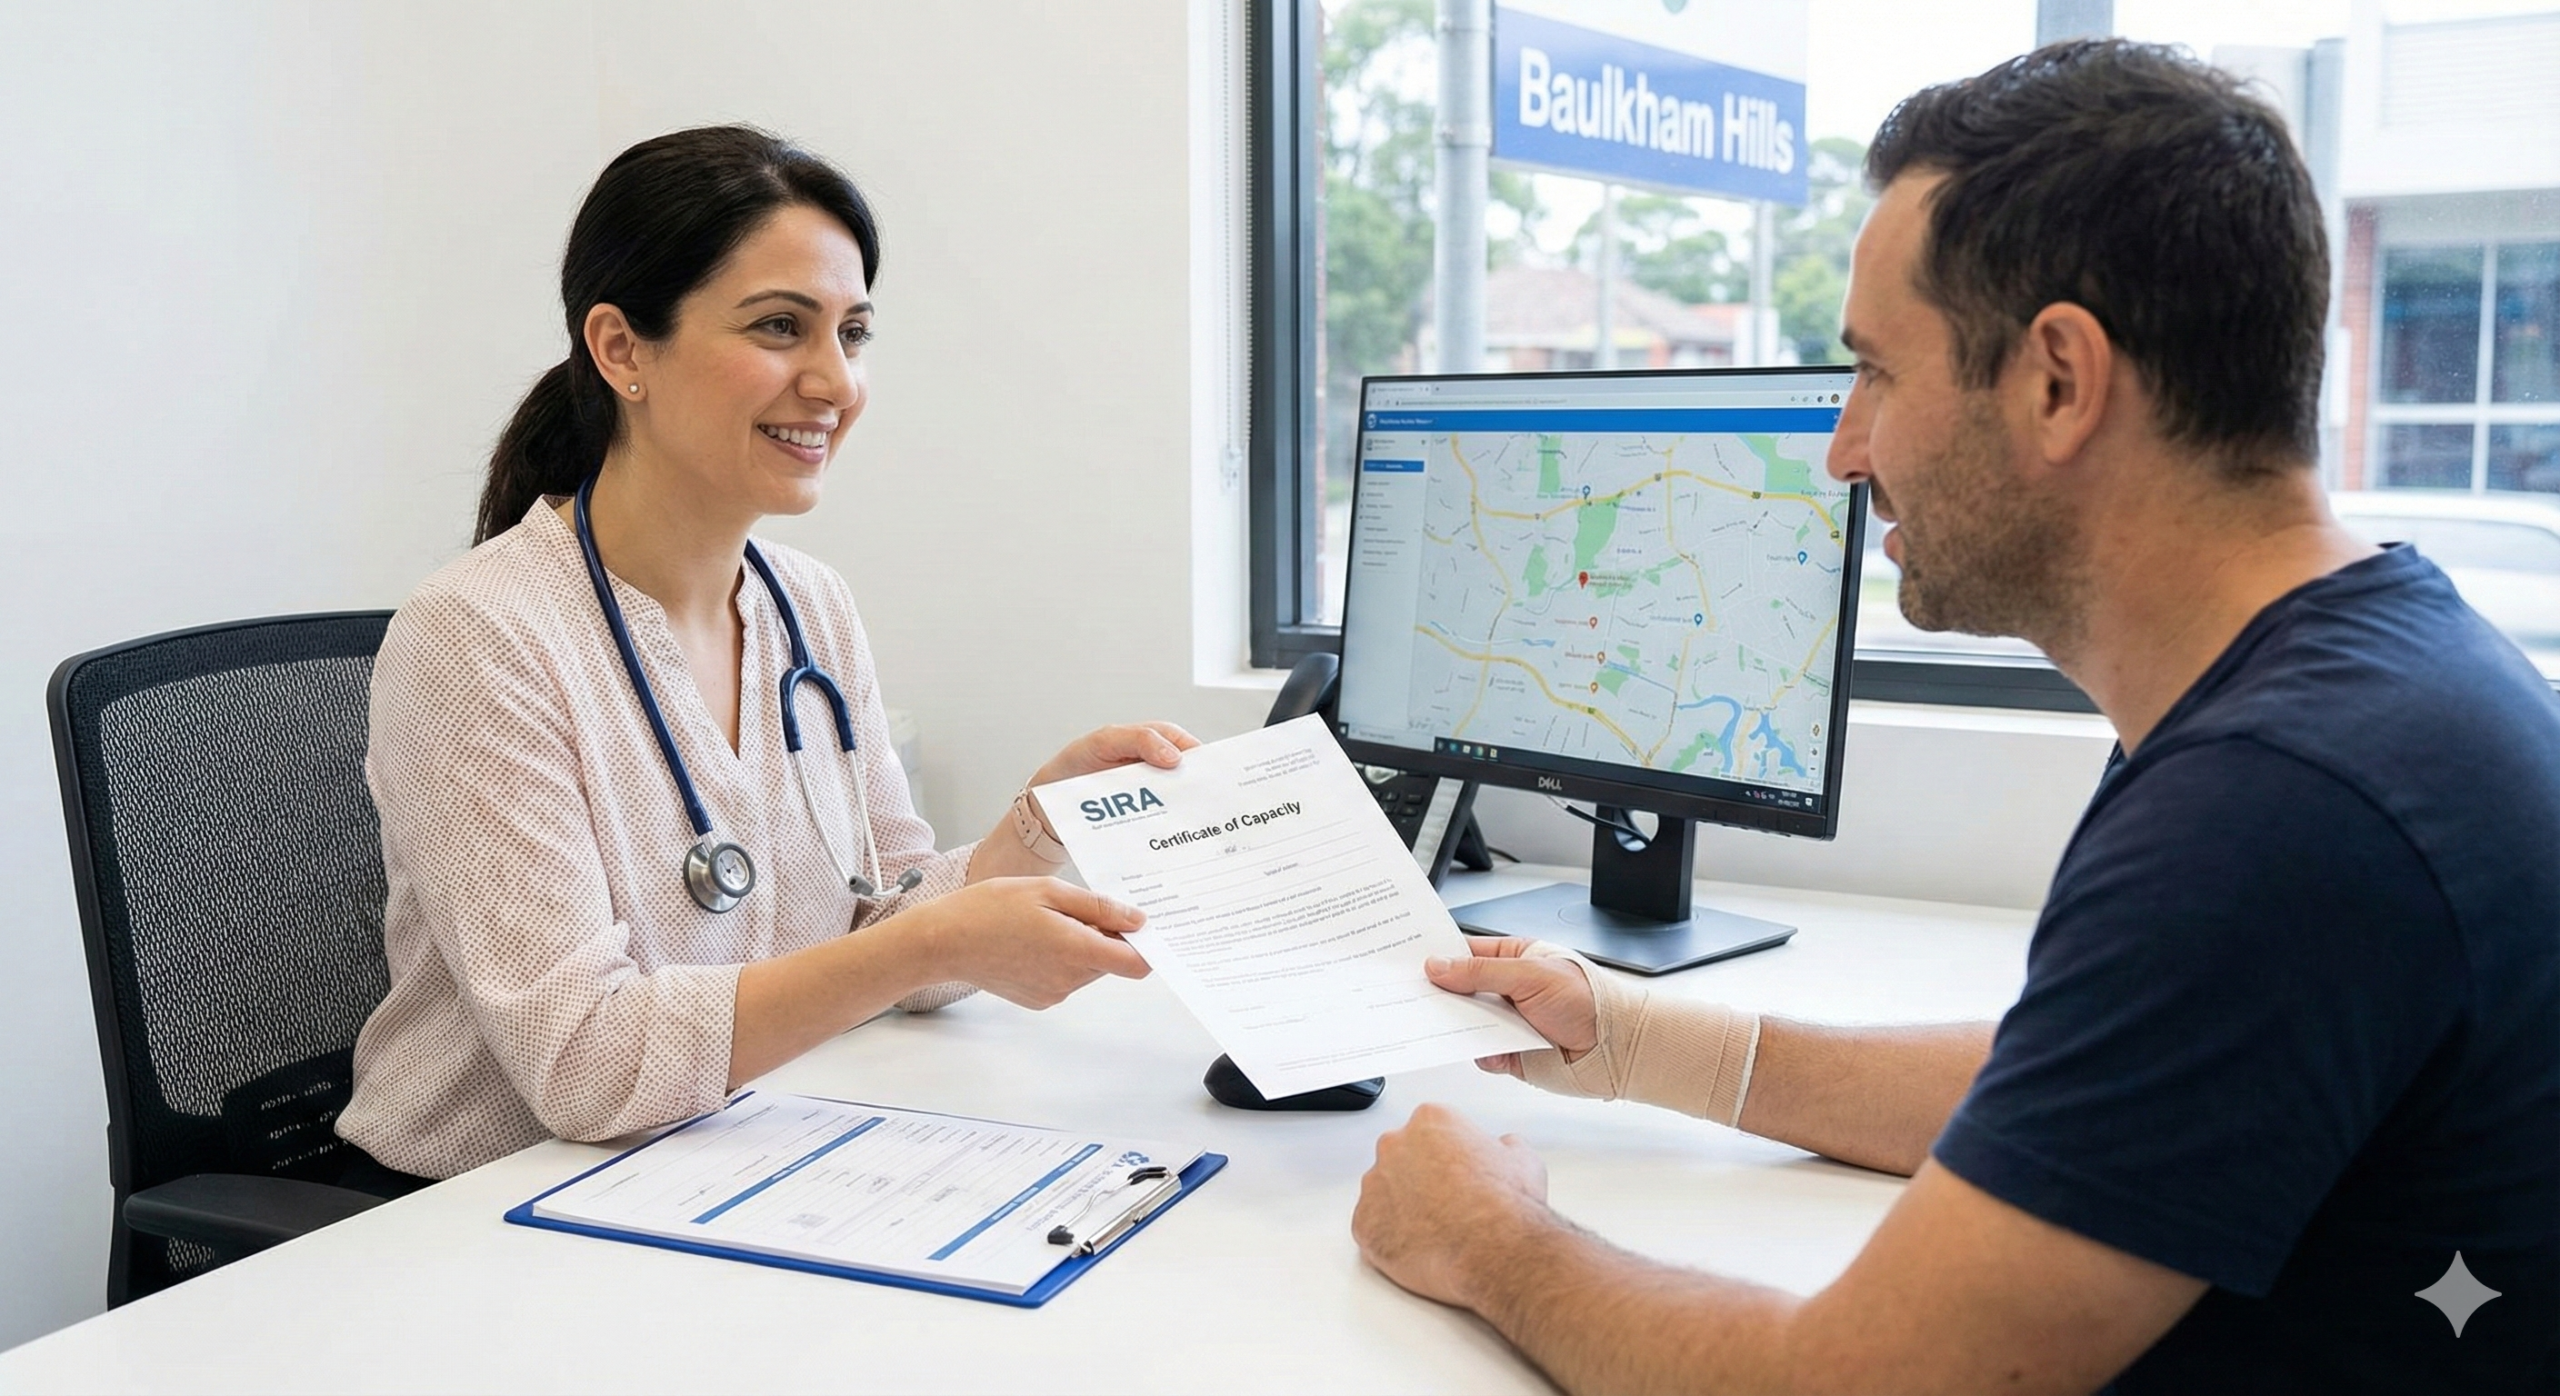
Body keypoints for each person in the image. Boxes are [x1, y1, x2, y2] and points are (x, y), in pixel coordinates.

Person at [1351, 40, 2559, 1396]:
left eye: (1876, 373)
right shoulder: (2363, 684)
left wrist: (1490, 1241)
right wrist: (1630, 1039)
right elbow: (2100, 1096)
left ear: (2057, 379)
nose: (1844, 450)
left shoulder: (2278, 812)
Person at [335, 126, 1193, 1187]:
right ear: (620, 350)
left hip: (733, 1162)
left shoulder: (808, 608)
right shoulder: (480, 635)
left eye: (854, 333)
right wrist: (925, 946)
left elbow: (879, 921)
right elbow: (586, 1065)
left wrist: (1038, 824)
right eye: (780, 327)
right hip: (480, 1210)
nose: (833, 382)